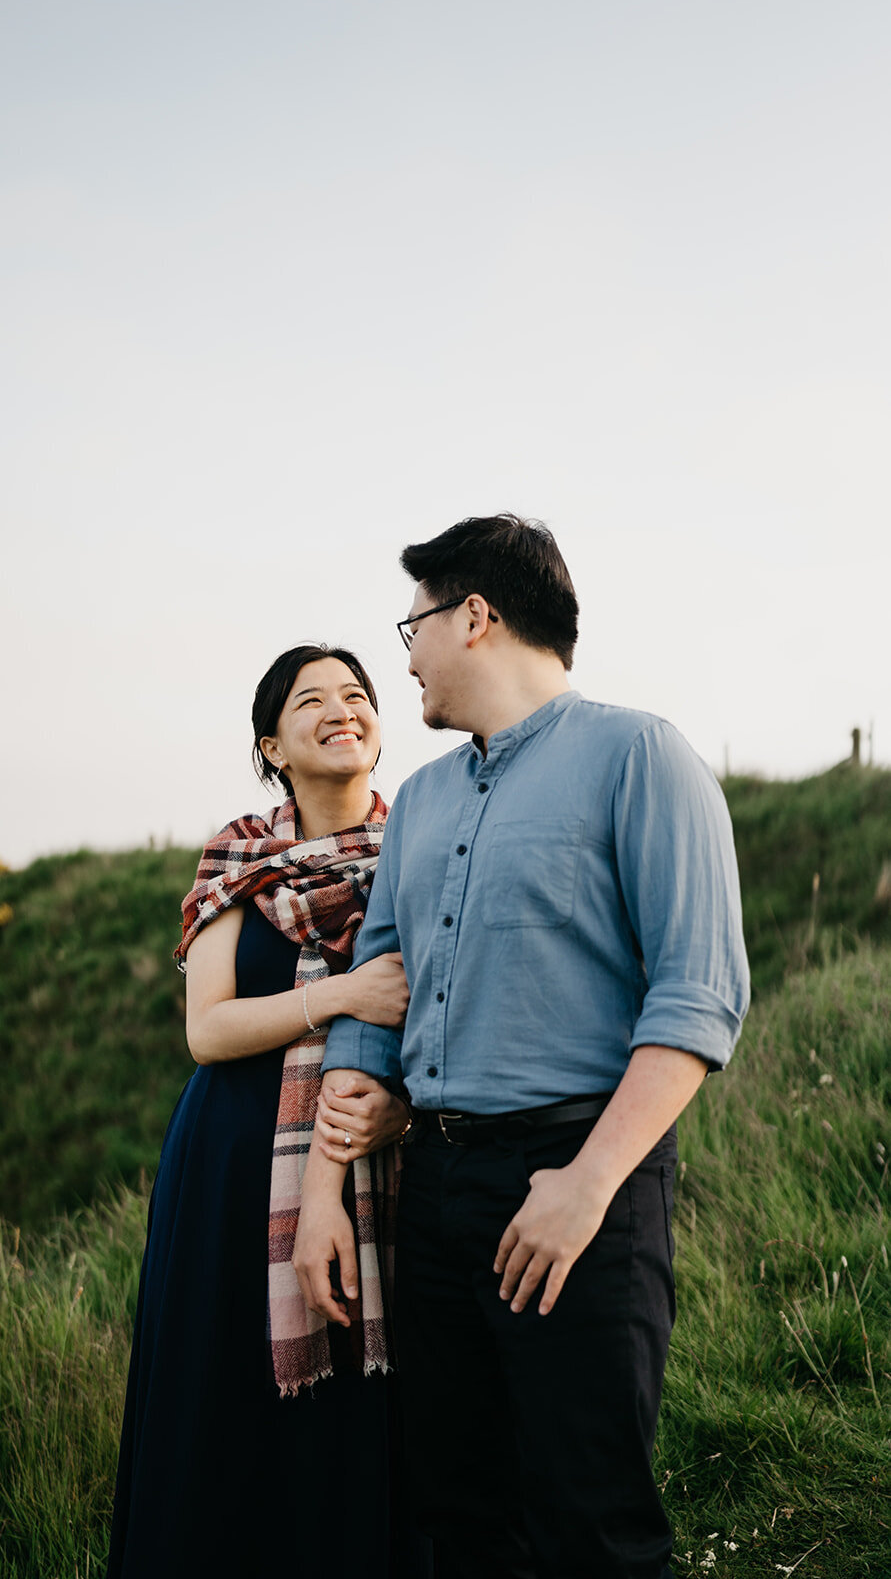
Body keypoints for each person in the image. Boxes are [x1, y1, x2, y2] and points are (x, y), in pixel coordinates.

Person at [294, 515, 750, 1579]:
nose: (402, 654)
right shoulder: (423, 801)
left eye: (410, 625)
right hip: (435, 1186)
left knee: (589, 1521)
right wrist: (329, 1177)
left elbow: (696, 995)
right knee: (458, 1511)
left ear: (473, 616)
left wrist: (586, 1184)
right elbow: (379, 985)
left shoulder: (639, 755)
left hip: (575, 1177)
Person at [106, 645, 431, 1579]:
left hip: (382, 1157)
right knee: (228, 1401)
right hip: (233, 1170)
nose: (342, 710)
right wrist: (340, 998)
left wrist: (399, 1115)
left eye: (358, 695)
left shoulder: (423, 845)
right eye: (311, 701)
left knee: (370, 1409)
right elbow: (207, 1030)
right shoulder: (239, 855)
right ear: (272, 744)